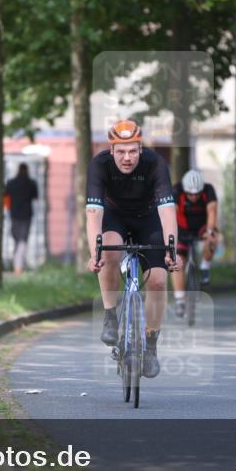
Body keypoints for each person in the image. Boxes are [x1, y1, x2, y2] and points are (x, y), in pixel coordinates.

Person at [86, 119, 180, 379]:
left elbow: (167, 211)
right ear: (111, 150)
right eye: (121, 152)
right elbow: (93, 213)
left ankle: (150, 346)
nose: (127, 158)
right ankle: (110, 315)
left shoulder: (156, 164)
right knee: (108, 252)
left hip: (148, 218)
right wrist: (94, 253)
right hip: (114, 216)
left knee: (159, 281)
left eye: (132, 151)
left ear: (141, 148)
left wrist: (171, 251)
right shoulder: (99, 165)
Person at [171, 169, 220, 317]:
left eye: (197, 194)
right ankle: (180, 299)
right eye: (190, 194)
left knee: (213, 237)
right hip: (182, 228)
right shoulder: (177, 190)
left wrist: (209, 230)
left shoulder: (208, 189)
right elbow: (171, 213)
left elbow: (212, 211)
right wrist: (172, 235)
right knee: (177, 262)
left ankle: (205, 267)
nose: (193, 197)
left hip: (202, 227)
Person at [4, 163, 39, 276]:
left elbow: (5, 199)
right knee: (22, 241)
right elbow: (35, 197)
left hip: (14, 215)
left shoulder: (11, 183)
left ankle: (18, 265)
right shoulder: (31, 183)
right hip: (26, 216)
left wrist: (8, 208)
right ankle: (18, 267)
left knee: (17, 241)